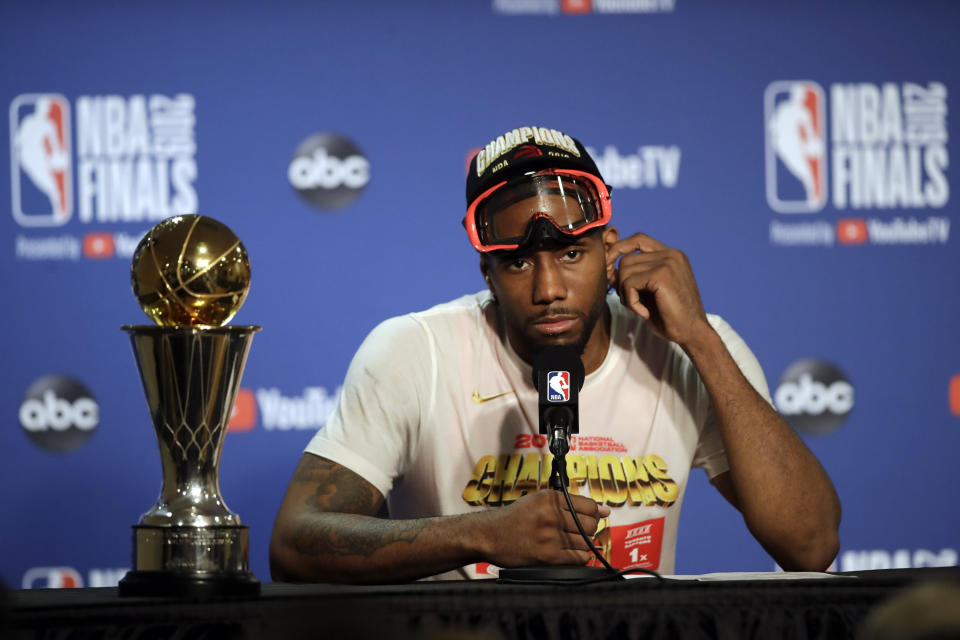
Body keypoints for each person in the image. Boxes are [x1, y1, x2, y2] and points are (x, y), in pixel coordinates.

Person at [270, 126, 841, 583]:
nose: (548, 289)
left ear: (610, 249)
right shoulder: (416, 351)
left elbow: (810, 546)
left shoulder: (688, 345)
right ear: (486, 273)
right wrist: (483, 534)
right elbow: (295, 543)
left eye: (571, 253)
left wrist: (701, 340)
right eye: (518, 263)